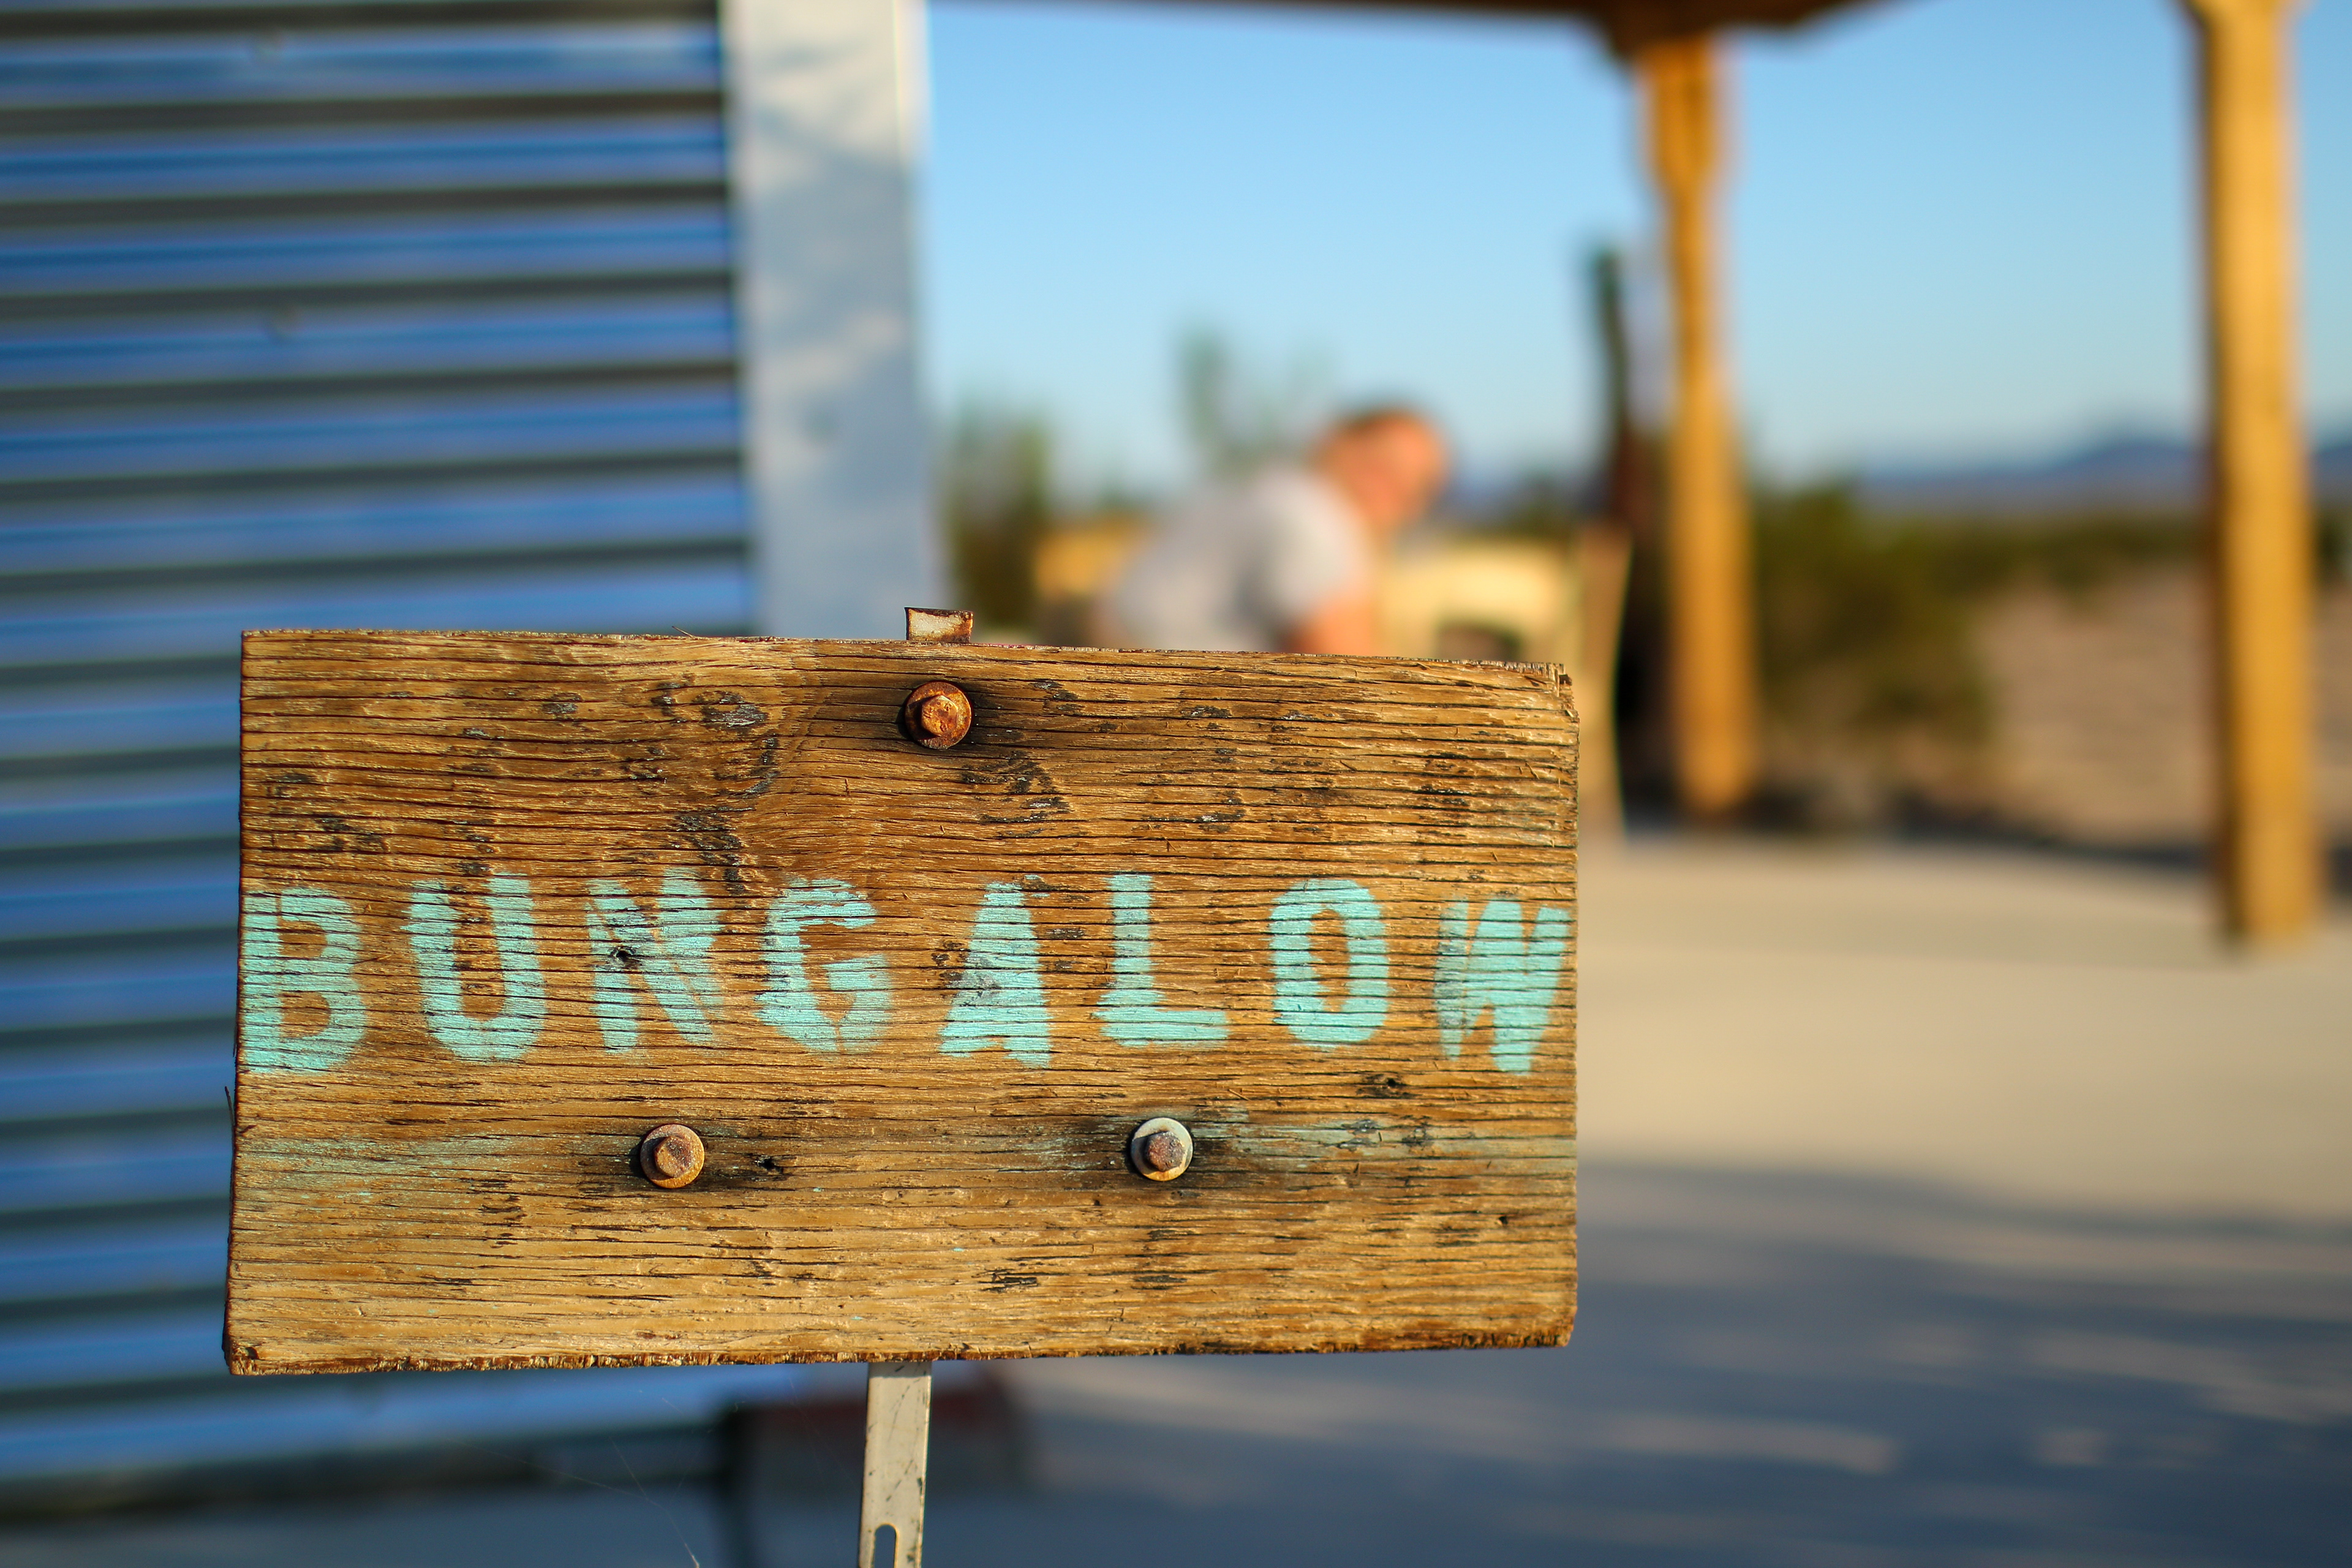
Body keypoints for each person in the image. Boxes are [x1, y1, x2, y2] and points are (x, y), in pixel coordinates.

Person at [1107, 405, 1450, 655]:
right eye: (1385, 467)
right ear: (1336, 442)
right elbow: (1348, 666)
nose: (1398, 497)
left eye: (1419, 486)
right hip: (1173, 698)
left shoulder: (1264, 486)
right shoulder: (1313, 517)